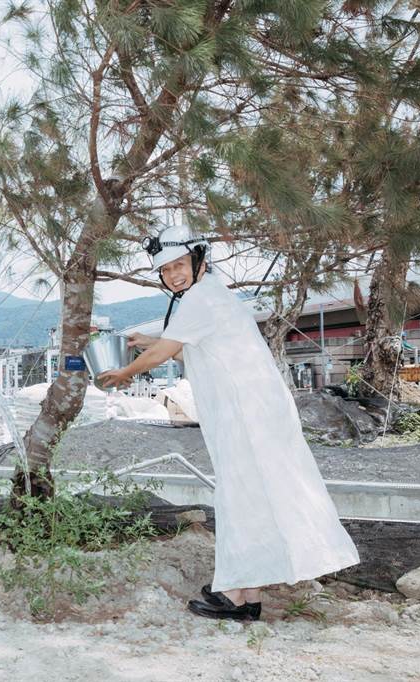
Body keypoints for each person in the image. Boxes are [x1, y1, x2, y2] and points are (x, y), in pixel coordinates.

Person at [99, 224, 359, 621]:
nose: (174, 275)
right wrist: (147, 343)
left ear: (198, 260)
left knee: (241, 496)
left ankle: (237, 598)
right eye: (166, 271)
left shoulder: (201, 299)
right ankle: (243, 589)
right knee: (249, 497)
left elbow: (168, 351)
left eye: (179, 265)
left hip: (246, 415)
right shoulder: (209, 297)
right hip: (248, 412)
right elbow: (191, 352)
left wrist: (125, 372)